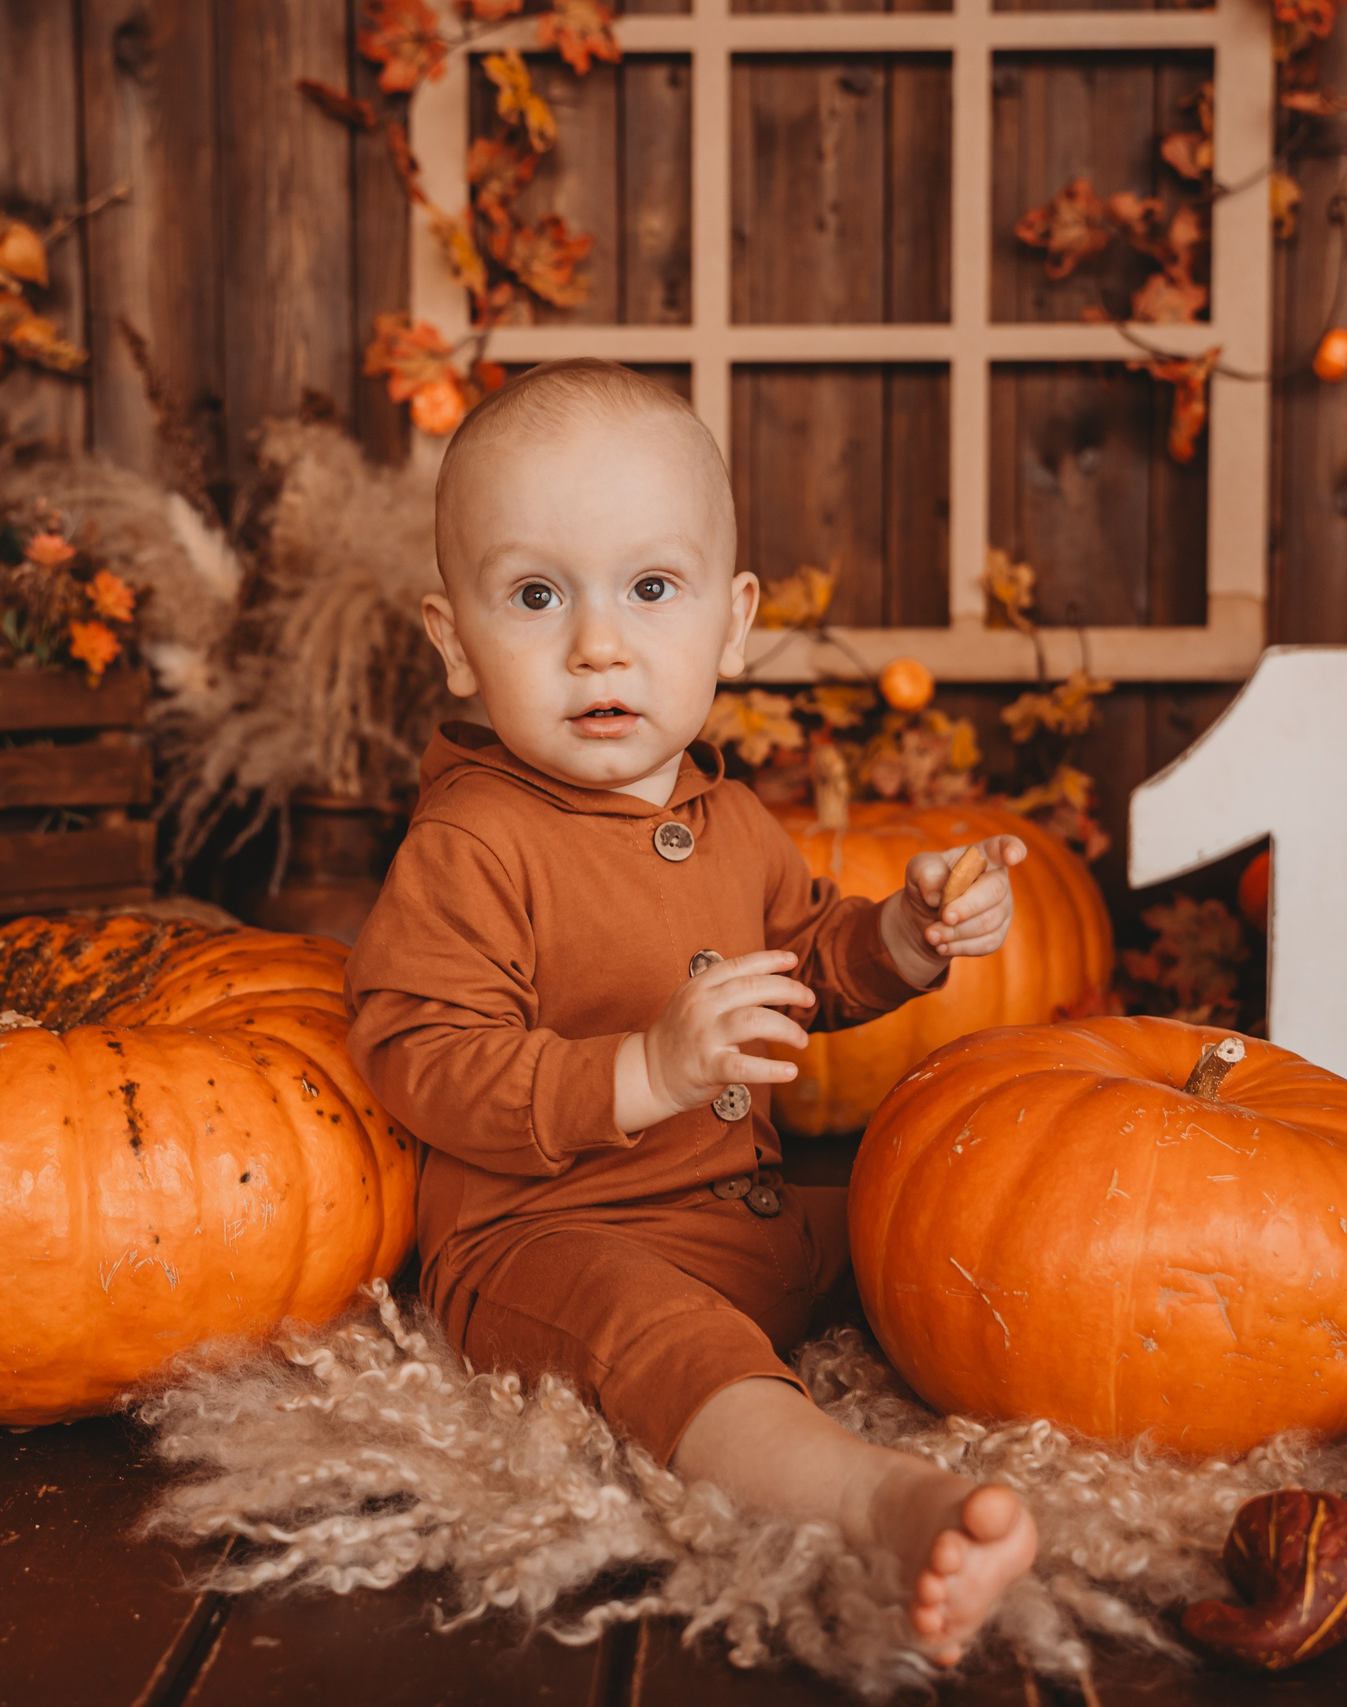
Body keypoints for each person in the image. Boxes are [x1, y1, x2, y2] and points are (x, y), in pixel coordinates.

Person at [344, 359, 1039, 1662]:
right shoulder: (473, 844)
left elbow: (806, 962)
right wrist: (646, 1073)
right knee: (664, 1342)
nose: (597, 644)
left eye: (649, 590)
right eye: (536, 596)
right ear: (453, 639)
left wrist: (901, 932)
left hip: (742, 1215)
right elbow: (416, 1055)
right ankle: (878, 1500)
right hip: (549, 1247)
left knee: (930, 1215)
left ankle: (1130, 1374)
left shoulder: (727, 815)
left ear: (730, 621)